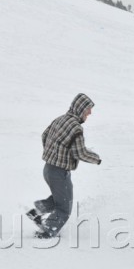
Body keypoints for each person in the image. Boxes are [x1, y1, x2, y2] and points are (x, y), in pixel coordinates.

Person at [26, 93, 101, 238]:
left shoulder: (60, 119)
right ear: (80, 109)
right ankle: (48, 230)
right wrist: (96, 159)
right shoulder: (76, 128)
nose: (90, 113)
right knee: (64, 207)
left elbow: (44, 135)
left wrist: (52, 154)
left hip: (48, 169)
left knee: (61, 198)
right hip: (60, 173)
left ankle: (36, 211)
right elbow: (80, 153)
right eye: (88, 110)